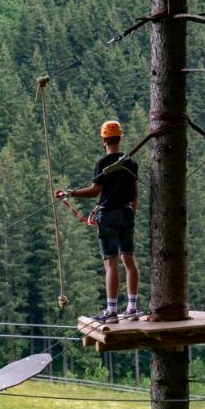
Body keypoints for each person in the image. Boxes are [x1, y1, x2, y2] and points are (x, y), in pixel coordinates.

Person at [55, 119, 141, 323]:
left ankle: (111, 311)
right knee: (129, 261)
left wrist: (70, 193)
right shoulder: (131, 163)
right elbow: (135, 193)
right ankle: (132, 307)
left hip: (109, 215)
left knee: (111, 263)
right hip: (127, 214)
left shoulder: (103, 164)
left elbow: (95, 191)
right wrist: (130, 212)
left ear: (104, 140)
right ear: (120, 138)